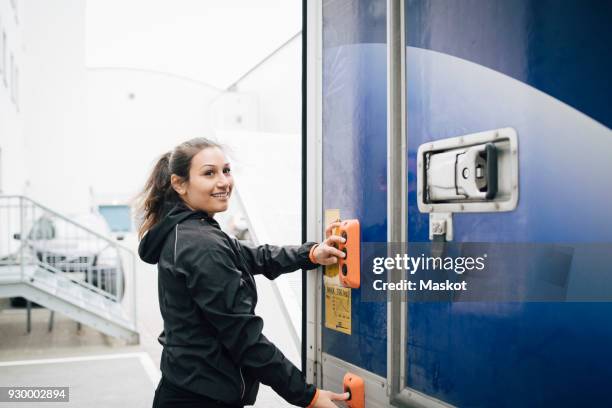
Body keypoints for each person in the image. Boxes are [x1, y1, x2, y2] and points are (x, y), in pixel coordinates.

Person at [137, 138, 350, 408]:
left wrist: (310, 254)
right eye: (209, 173)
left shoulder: (192, 230)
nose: (224, 181)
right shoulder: (200, 244)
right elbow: (244, 337)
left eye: (226, 170)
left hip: (189, 385)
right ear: (180, 184)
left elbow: (252, 256)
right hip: (201, 398)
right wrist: (309, 396)